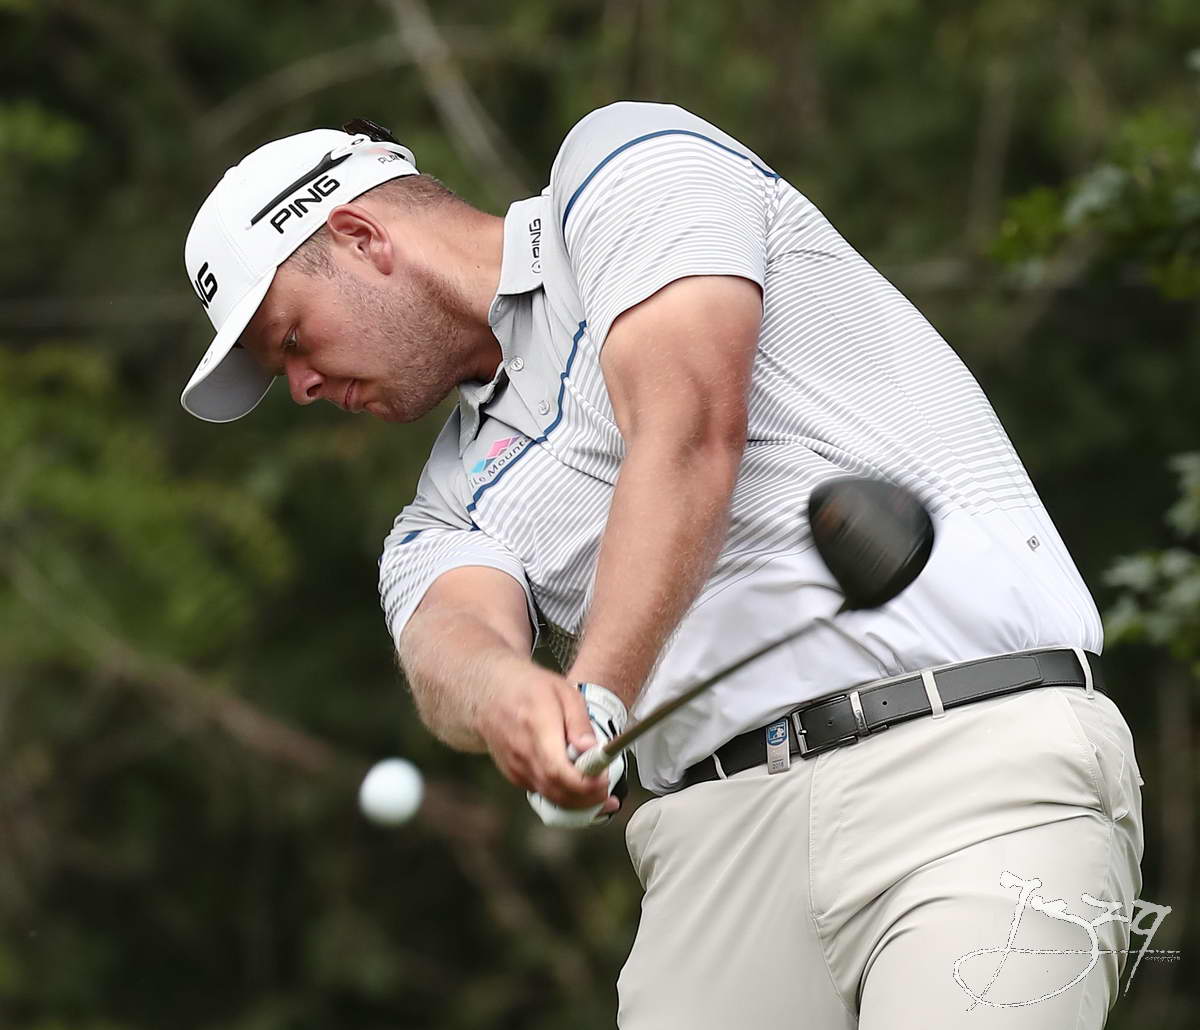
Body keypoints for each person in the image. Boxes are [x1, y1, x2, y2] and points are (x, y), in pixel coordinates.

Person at [181, 103, 1145, 1028]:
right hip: (714, 854)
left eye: (292, 339)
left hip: (968, 764)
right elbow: (448, 638)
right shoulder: (440, 507)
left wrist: (595, 692)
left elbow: (688, 429)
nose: (301, 386)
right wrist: (511, 699)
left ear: (361, 237)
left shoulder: (624, 168)